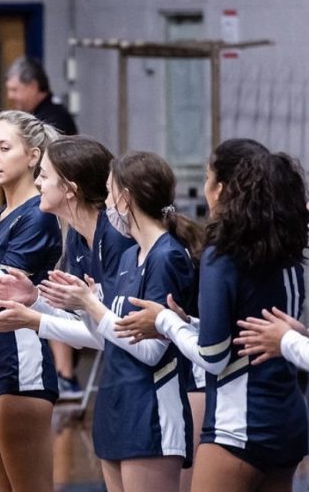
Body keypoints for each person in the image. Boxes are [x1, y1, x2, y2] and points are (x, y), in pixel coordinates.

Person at [115, 140, 309, 492]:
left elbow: (214, 358)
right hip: (290, 424)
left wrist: (166, 322)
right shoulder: (291, 252)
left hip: (239, 428)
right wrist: (187, 323)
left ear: (220, 189)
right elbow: (252, 335)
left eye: (207, 177)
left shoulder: (223, 251)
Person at [35, 151, 200, 492]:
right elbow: (108, 334)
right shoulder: (129, 255)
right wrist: (81, 305)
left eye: (110, 193)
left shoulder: (167, 256)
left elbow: (153, 350)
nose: (106, 203)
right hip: (115, 405)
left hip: (151, 410)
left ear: (126, 199)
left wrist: (92, 307)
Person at [0, 110, 61, 492]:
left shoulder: (38, 216)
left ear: (34, 155)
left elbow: (1, 289)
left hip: (20, 364)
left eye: (4, 148)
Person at [4, 56, 79, 397]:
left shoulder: (55, 119)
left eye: (16, 89)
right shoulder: (1, 215)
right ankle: (64, 374)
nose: (13, 96)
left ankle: (65, 374)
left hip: (58, 218)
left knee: (52, 287)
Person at [5, 56, 77, 137]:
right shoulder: (39, 114)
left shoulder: (53, 120)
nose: (10, 96)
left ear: (33, 86)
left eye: (14, 90)